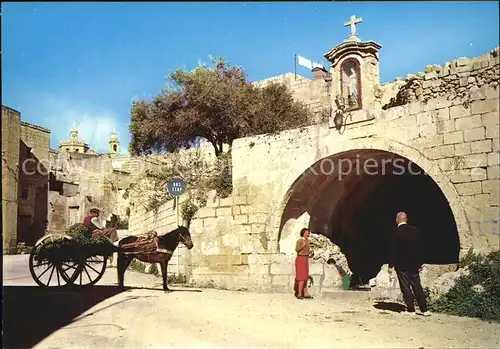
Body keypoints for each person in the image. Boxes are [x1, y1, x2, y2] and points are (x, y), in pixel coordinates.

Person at [388, 212, 430, 316]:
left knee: (405, 287)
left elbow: (393, 250)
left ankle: (411, 310)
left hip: (402, 265)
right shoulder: (416, 231)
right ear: (406, 219)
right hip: (414, 264)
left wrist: (391, 265)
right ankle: (424, 310)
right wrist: (420, 262)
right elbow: (420, 248)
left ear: (397, 220)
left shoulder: (395, 232)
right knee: (417, 286)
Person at [294, 228, 314, 299]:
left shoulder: (307, 241)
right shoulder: (300, 240)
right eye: (306, 233)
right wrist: (303, 245)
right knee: (301, 277)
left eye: (308, 233)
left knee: (305, 277)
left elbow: (306, 252)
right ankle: (299, 294)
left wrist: (310, 254)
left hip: (305, 259)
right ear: (303, 233)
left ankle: (305, 293)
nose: (308, 234)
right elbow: (297, 249)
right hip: (300, 259)